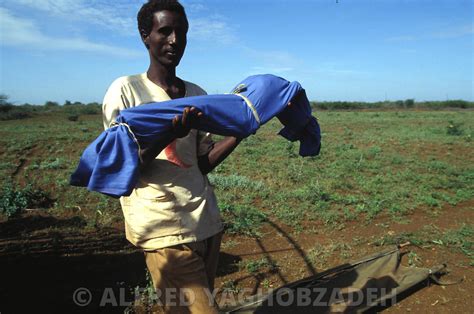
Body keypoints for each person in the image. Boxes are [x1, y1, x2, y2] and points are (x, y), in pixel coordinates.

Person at [102, 1, 241, 312]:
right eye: (164, 31)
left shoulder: (196, 94)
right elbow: (121, 169)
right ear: (144, 36)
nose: (175, 41)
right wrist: (167, 133)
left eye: (182, 32)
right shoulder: (126, 91)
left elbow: (202, 163)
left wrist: (239, 133)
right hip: (163, 229)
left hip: (205, 223)